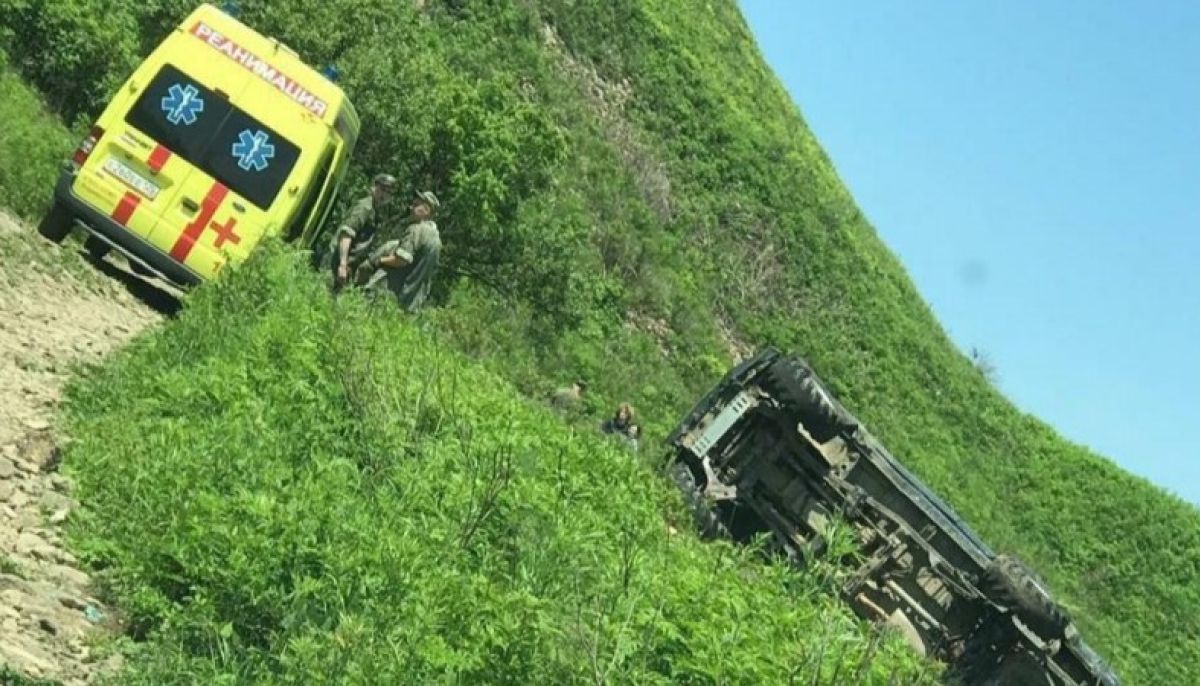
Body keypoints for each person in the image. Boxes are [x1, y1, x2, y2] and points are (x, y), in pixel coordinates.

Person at [355, 190, 442, 313]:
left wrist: (379, 261)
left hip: (391, 294)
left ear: (427, 210)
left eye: (416, 205)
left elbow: (401, 260)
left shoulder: (417, 230)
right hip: (412, 302)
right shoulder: (436, 238)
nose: (411, 208)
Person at [326, 173, 398, 291]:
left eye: (389, 192)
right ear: (374, 187)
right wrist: (343, 265)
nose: (384, 195)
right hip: (337, 263)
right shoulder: (365, 207)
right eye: (383, 189)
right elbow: (346, 235)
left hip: (347, 265)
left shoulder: (375, 211)